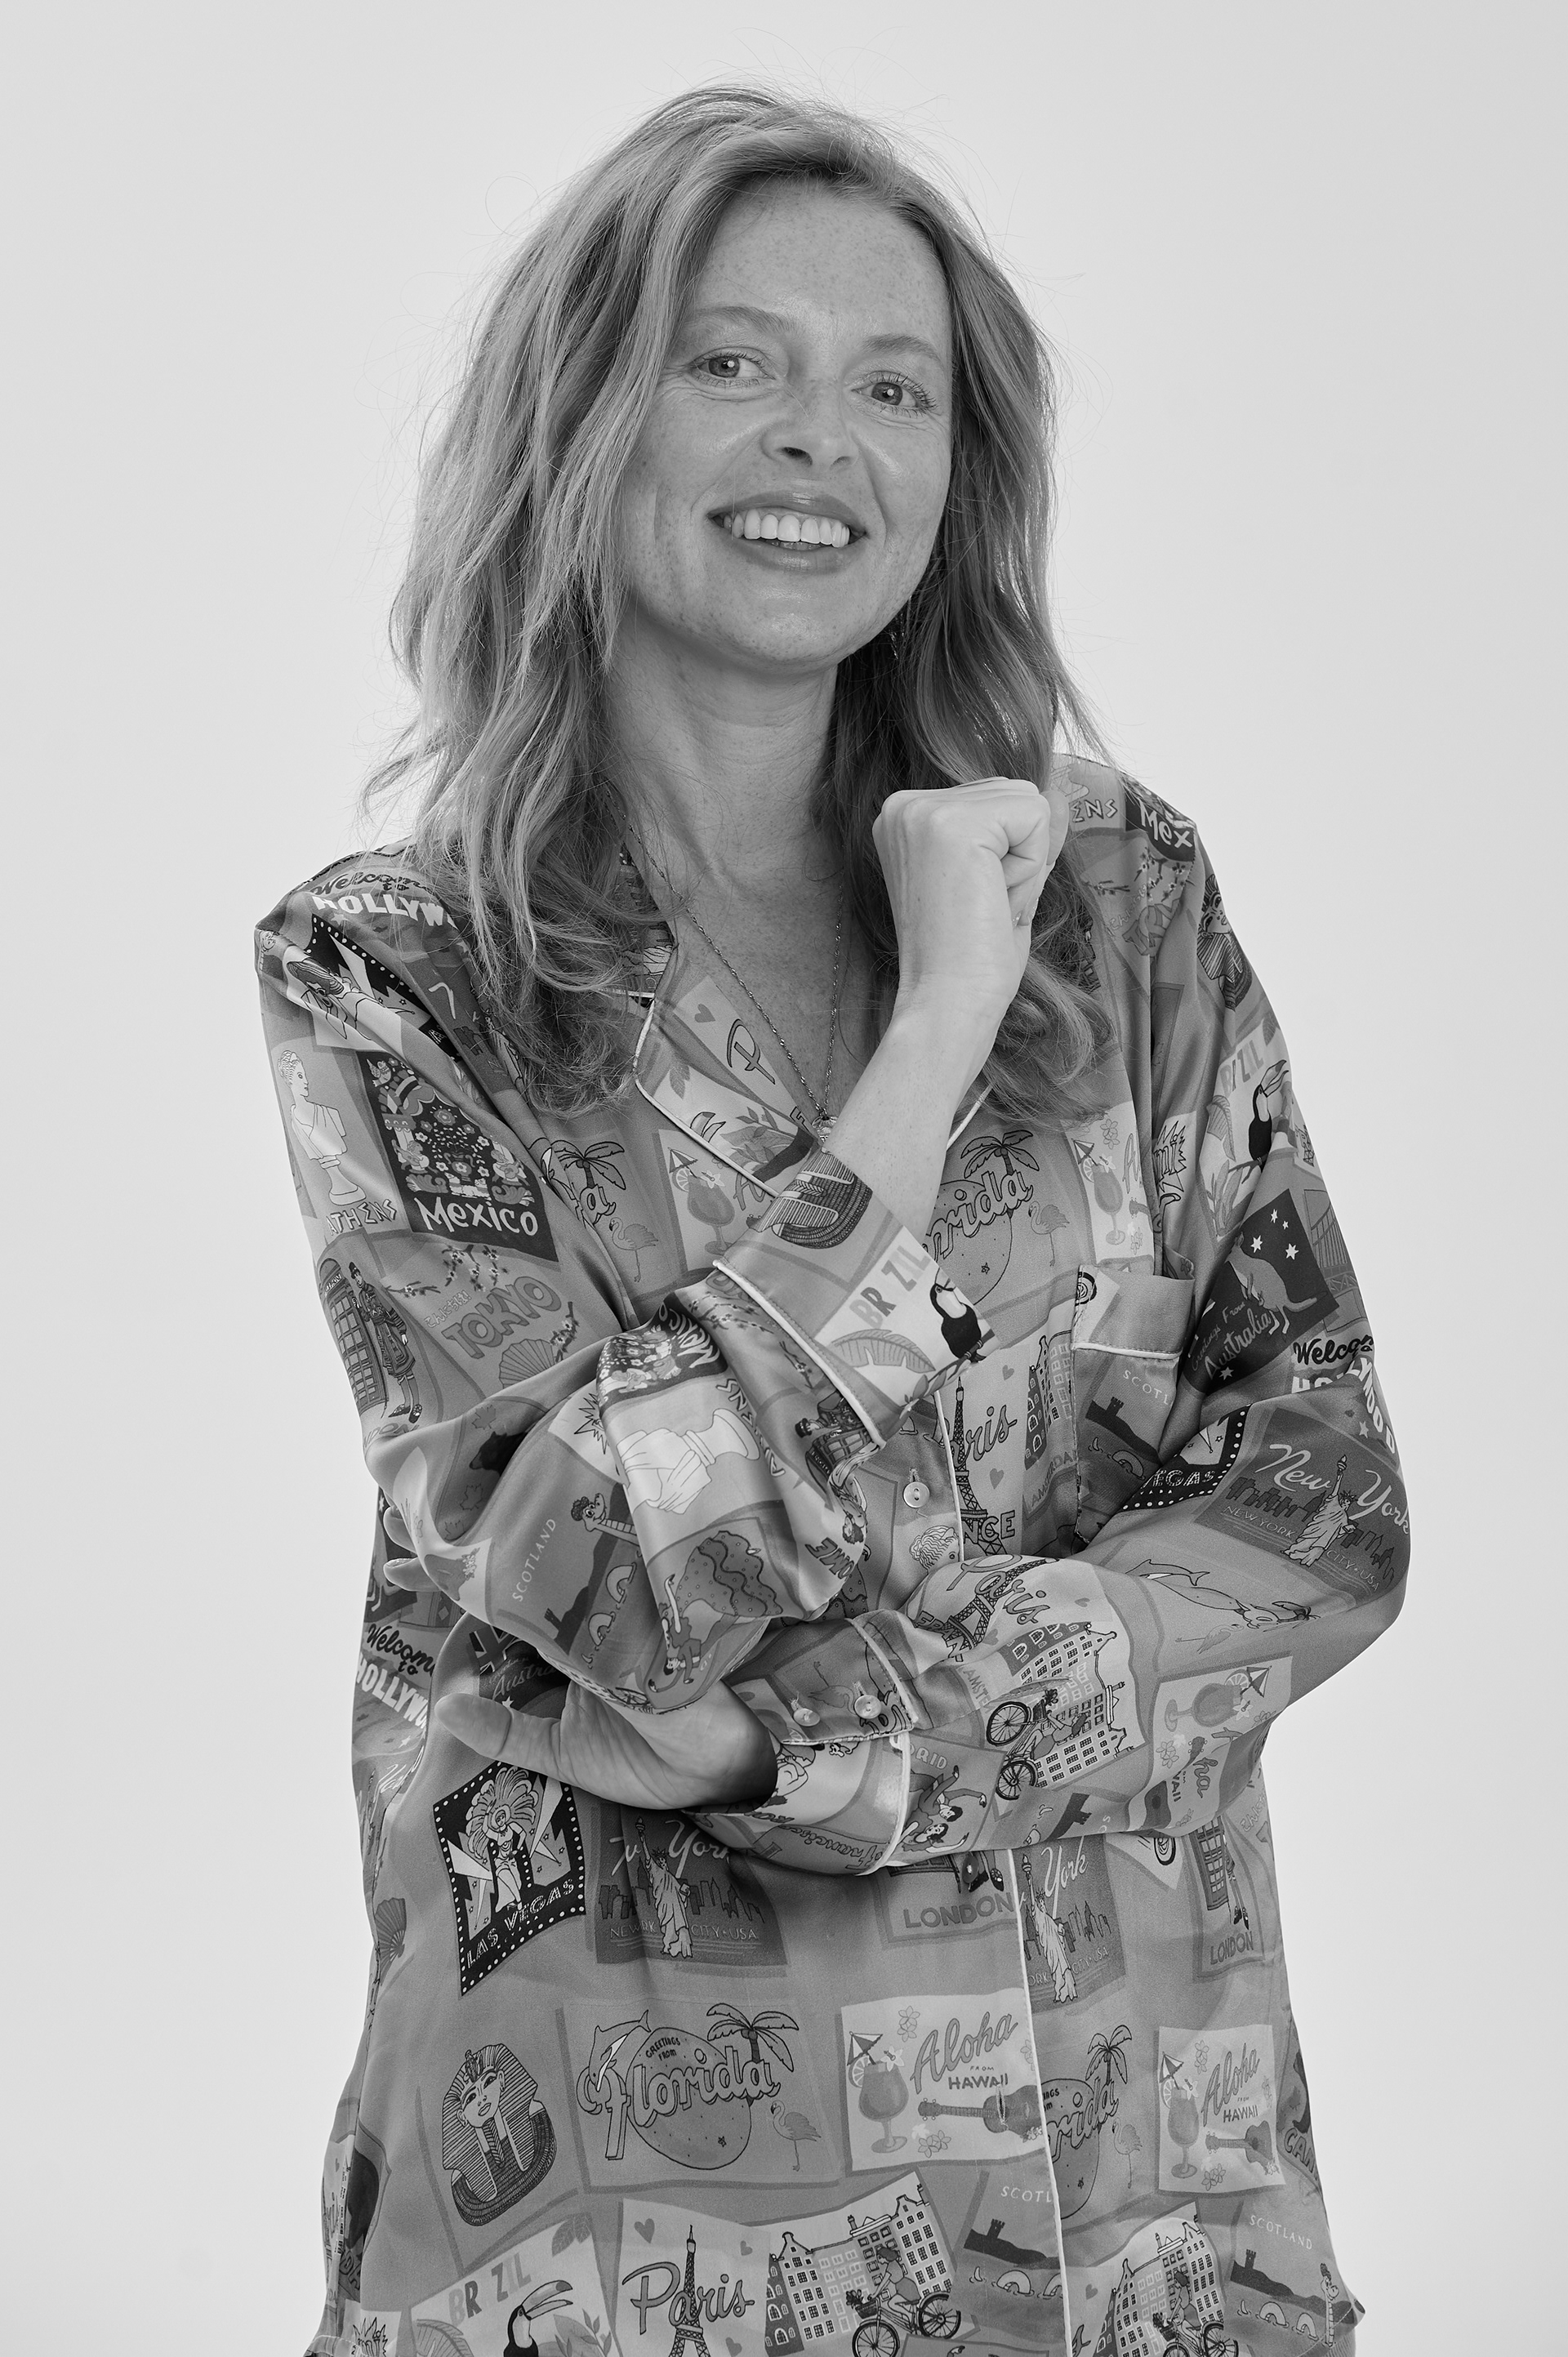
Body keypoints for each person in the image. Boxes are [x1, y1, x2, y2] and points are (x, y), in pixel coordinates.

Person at [257, 86, 1403, 2357]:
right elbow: (590, 1567)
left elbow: (1323, 1511)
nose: (823, 441)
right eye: (734, 360)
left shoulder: (1124, 901)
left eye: (898, 387)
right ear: (582, 420)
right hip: (634, 2236)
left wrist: (815, 1751)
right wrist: (928, 1047)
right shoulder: (397, 976)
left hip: (1144, 2222)